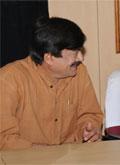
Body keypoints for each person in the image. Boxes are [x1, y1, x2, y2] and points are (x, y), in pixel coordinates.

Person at [0, 17, 103, 150]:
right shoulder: (9, 79)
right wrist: (48, 154)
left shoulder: (79, 72)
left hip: (73, 158)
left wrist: (89, 129)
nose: (81, 58)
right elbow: (4, 140)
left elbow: (90, 114)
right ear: (49, 58)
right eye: (75, 52)